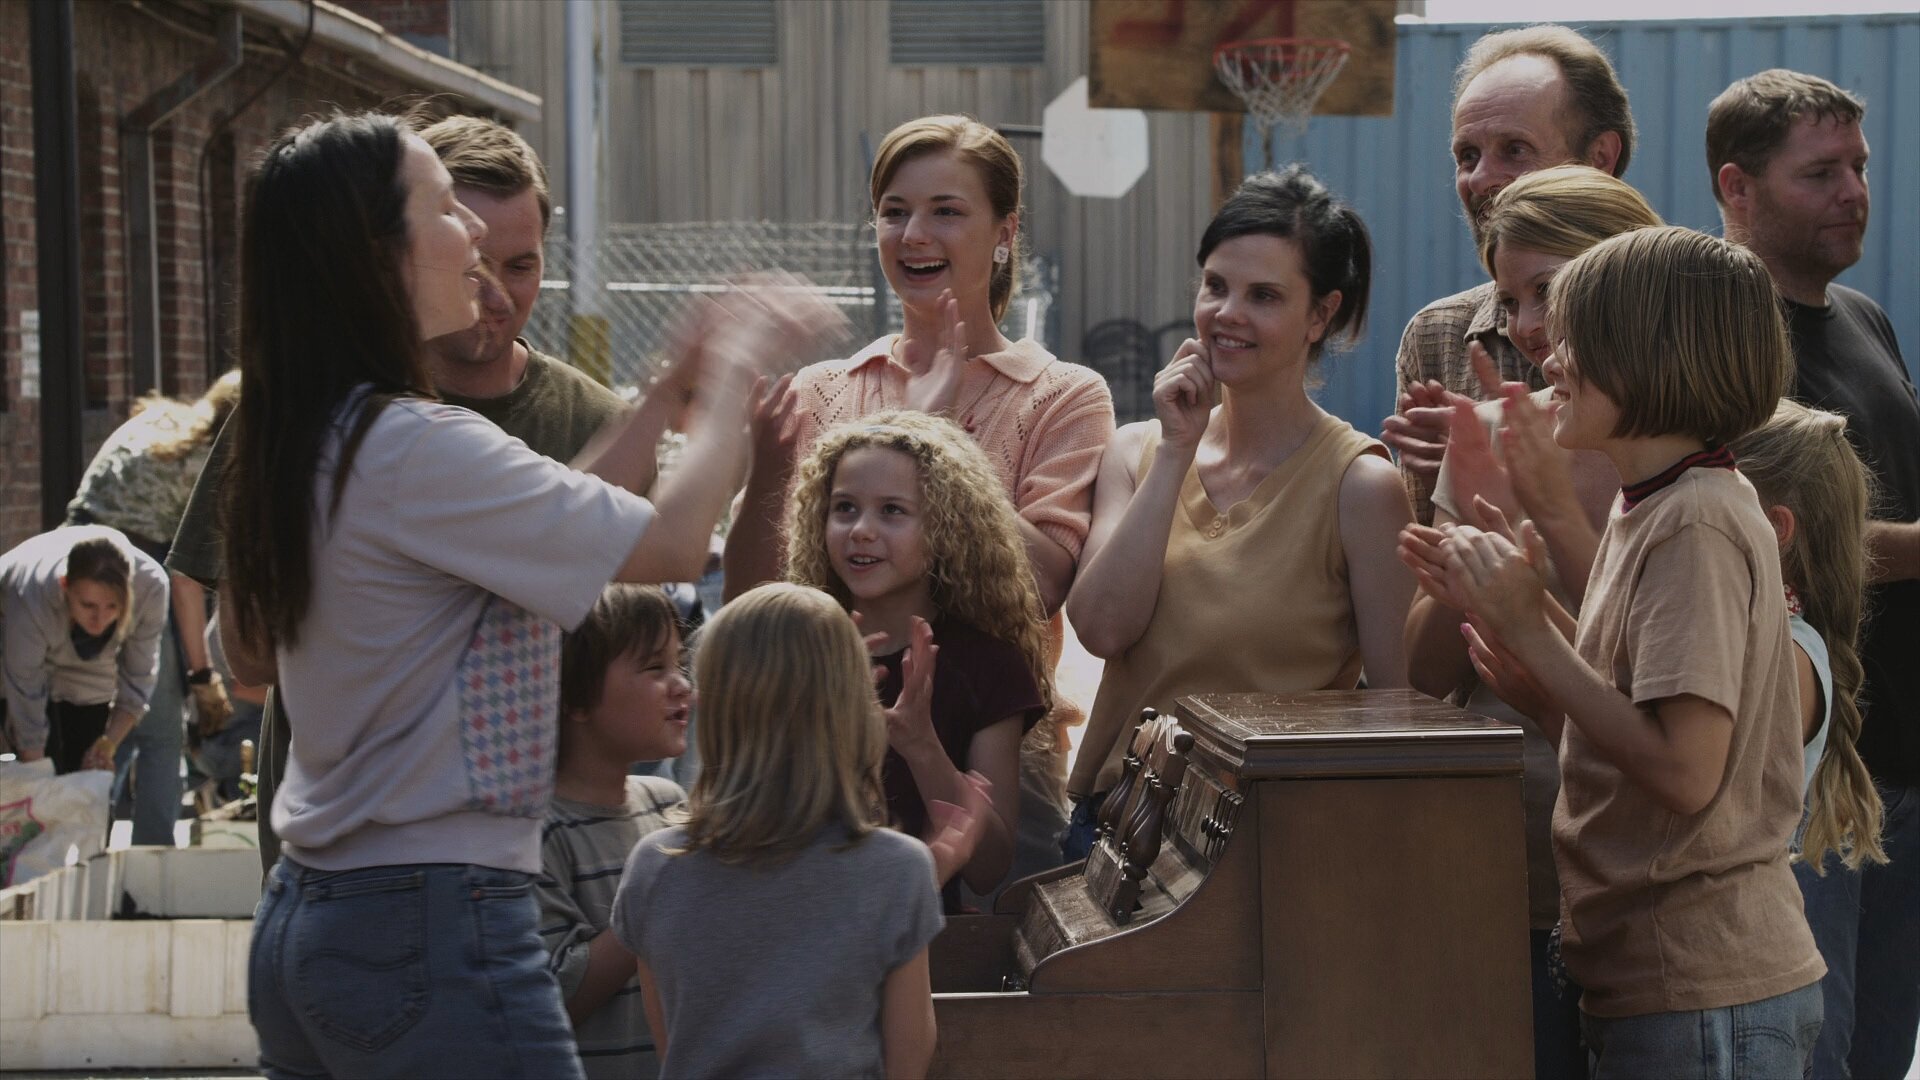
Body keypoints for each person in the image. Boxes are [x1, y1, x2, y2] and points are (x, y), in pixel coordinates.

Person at [227, 110, 839, 1076]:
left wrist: (667, 389)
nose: (473, 232)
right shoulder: (416, 446)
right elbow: (671, 542)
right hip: (431, 920)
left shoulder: (318, 433)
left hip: (314, 916)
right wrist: (732, 370)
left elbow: (566, 523)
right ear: (379, 255)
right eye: (444, 208)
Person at [166, 114, 644, 873]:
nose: (496, 289)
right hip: (379, 868)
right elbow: (249, 653)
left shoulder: (594, 422)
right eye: (465, 239)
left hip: (534, 853)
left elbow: (636, 649)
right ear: (398, 253)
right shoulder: (314, 415)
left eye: (522, 265)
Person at [1440, 227, 1823, 1078]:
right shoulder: (1650, 503)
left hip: (1702, 989)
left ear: (1653, 356)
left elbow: (1685, 772)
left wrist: (1533, 632)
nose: (1550, 361)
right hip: (1655, 982)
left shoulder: (1696, 520)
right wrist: (1521, 610)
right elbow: (1633, 701)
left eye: (1576, 340)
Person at [724, 114, 1114, 873]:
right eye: (894, 211)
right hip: (816, 750)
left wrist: (929, 434)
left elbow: (1037, 588)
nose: (914, 235)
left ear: (1005, 232)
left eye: (947, 211)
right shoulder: (823, 389)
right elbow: (750, 603)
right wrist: (765, 473)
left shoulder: (1062, 395)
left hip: (994, 762)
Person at [1064, 168, 1414, 853]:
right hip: (1113, 831)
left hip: (1265, 848)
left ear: (1321, 315)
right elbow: (1102, 628)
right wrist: (1176, 451)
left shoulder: (1360, 486)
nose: (1227, 313)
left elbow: (1394, 709)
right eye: (1215, 285)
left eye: (1264, 296)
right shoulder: (1139, 451)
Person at [1399, 163, 1660, 1080]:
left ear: (1628, 273)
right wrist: (1468, 545)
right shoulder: (1497, 429)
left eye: (1548, 290)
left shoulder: (1710, 444)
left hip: (1650, 886)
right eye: (1509, 300)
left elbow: (1668, 689)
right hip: (1503, 869)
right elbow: (1425, 675)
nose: (1523, 325)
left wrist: (1542, 535)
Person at [1710, 68, 1920, 1080]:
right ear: (1737, 188)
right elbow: (1763, 536)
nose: (1854, 193)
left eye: (1860, 168)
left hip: (1902, 764)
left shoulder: (1863, 318)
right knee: (1812, 1058)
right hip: (1813, 777)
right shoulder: (1725, 340)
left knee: (1881, 1051)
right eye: (1821, 173)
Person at [611, 582, 984, 1080]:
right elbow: (908, 1058)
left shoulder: (653, 865)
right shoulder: (900, 870)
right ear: (852, 711)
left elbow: (674, 1049)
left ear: (715, 711)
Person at [786, 410, 1050, 902]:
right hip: (796, 926)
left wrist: (921, 745)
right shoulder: (794, 650)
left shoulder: (990, 666)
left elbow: (990, 867)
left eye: (892, 510)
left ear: (947, 528)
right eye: (844, 507)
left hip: (924, 936)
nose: (861, 530)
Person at [1384, 24, 1634, 526]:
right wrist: (1452, 479)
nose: (1480, 178)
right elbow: (1427, 555)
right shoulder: (1439, 336)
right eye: (1467, 156)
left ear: (1600, 158)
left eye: (1514, 149)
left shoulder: (1691, 314)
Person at [64, 373, 239, 843]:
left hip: (77, 561)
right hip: (129, 571)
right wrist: (202, 677)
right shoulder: (207, 462)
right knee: (161, 733)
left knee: (117, 723)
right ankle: (150, 857)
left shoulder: (161, 419)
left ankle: (84, 839)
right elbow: (184, 581)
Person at [538, 585, 690, 1079]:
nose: (681, 685)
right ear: (576, 697)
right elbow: (554, 999)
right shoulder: (538, 831)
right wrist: (656, 893)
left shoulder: (670, 805)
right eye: (655, 668)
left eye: (680, 663)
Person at [1729, 400, 1885, 871]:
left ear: (1776, 527)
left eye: (1718, 496)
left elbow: (1680, 780)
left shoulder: (1788, 653)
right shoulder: (1755, 628)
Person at [2, 527, 168, 775]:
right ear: (65, 585)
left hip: (91, 665)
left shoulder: (151, 588)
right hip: (13, 635)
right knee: (34, 766)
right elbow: (23, 686)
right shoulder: (31, 592)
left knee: (85, 766)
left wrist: (107, 744)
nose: (99, 620)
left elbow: (138, 677)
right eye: (88, 605)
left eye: (112, 606)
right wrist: (37, 778)